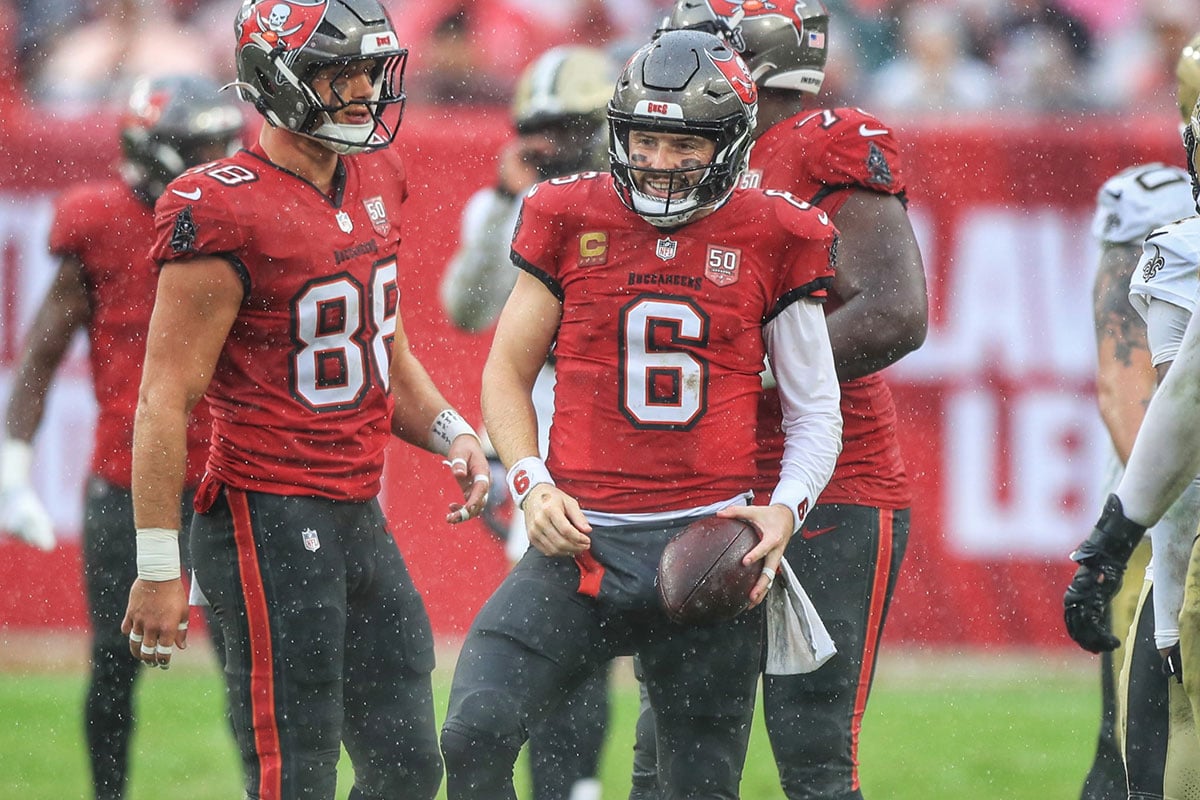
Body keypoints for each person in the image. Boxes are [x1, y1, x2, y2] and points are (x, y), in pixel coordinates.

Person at [440, 28, 843, 800]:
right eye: (646, 140)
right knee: (475, 732)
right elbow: (505, 370)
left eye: (683, 145)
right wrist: (531, 482)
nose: (658, 163)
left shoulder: (775, 230)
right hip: (579, 539)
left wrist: (784, 512)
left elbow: (815, 407)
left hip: (705, 550)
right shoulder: (565, 211)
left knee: (694, 786)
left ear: (728, 143)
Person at [118, 2, 489, 799]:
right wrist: (158, 566)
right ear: (274, 81)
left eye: (368, 69)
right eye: (339, 71)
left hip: (355, 508)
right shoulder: (220, 207)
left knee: (409, 767)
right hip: (267, 512)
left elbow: (378, 343)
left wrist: (453, 430)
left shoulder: (378, 173)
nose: (362, 90)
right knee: (298, 771)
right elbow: (163, 400)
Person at [632, 3, 927, 799]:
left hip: (829, 483)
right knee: (669, 753)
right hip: (707, 484)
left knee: (814, 750)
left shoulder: (822, 143)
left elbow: (896, 311)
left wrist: (747, 371)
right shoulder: (694, 154)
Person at [0, 73, 242, 800]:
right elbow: (41, 351)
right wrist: (13, 469)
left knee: (251, 666)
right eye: (202, 149)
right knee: (115, 663)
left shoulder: (241, 217)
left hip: (227, 478)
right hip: (129, 481)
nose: (221, 160)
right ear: (156, 151)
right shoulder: (100, 221)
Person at [439, 44, 616, 800]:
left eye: (573, 126)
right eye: (542, 127)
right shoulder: (514, 205)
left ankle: (576, 781)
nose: (557, 144)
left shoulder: (636, 200)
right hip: (540, 430)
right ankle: (568, 783)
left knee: (601, 618)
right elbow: (465, 309)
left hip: (622, 426)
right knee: (561, 613)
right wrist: (506, 208)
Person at [1064, 92, 1200, 791]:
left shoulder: (1165, 244)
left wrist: (1122, 533)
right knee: (1139, 744)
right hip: (1170, 524)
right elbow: (1152, 402)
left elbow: (1155, 403)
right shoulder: (1172, 243)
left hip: (1170, 525)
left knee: (1141, 746)